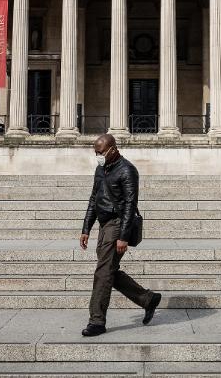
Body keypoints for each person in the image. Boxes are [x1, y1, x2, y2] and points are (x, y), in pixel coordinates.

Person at [78, 133, 161, 336]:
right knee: (109, 271)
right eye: (95, 152)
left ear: (113, 149)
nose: (98, 155)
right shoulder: (100, 168)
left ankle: (96, 321)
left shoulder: (127, 170)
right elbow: (93, 198)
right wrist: (86, 228)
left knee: (103, 273)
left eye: (100, 152)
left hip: (117, 224)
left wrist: (123, 236)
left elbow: (130, 206)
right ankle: (147, 299)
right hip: (104, 223)